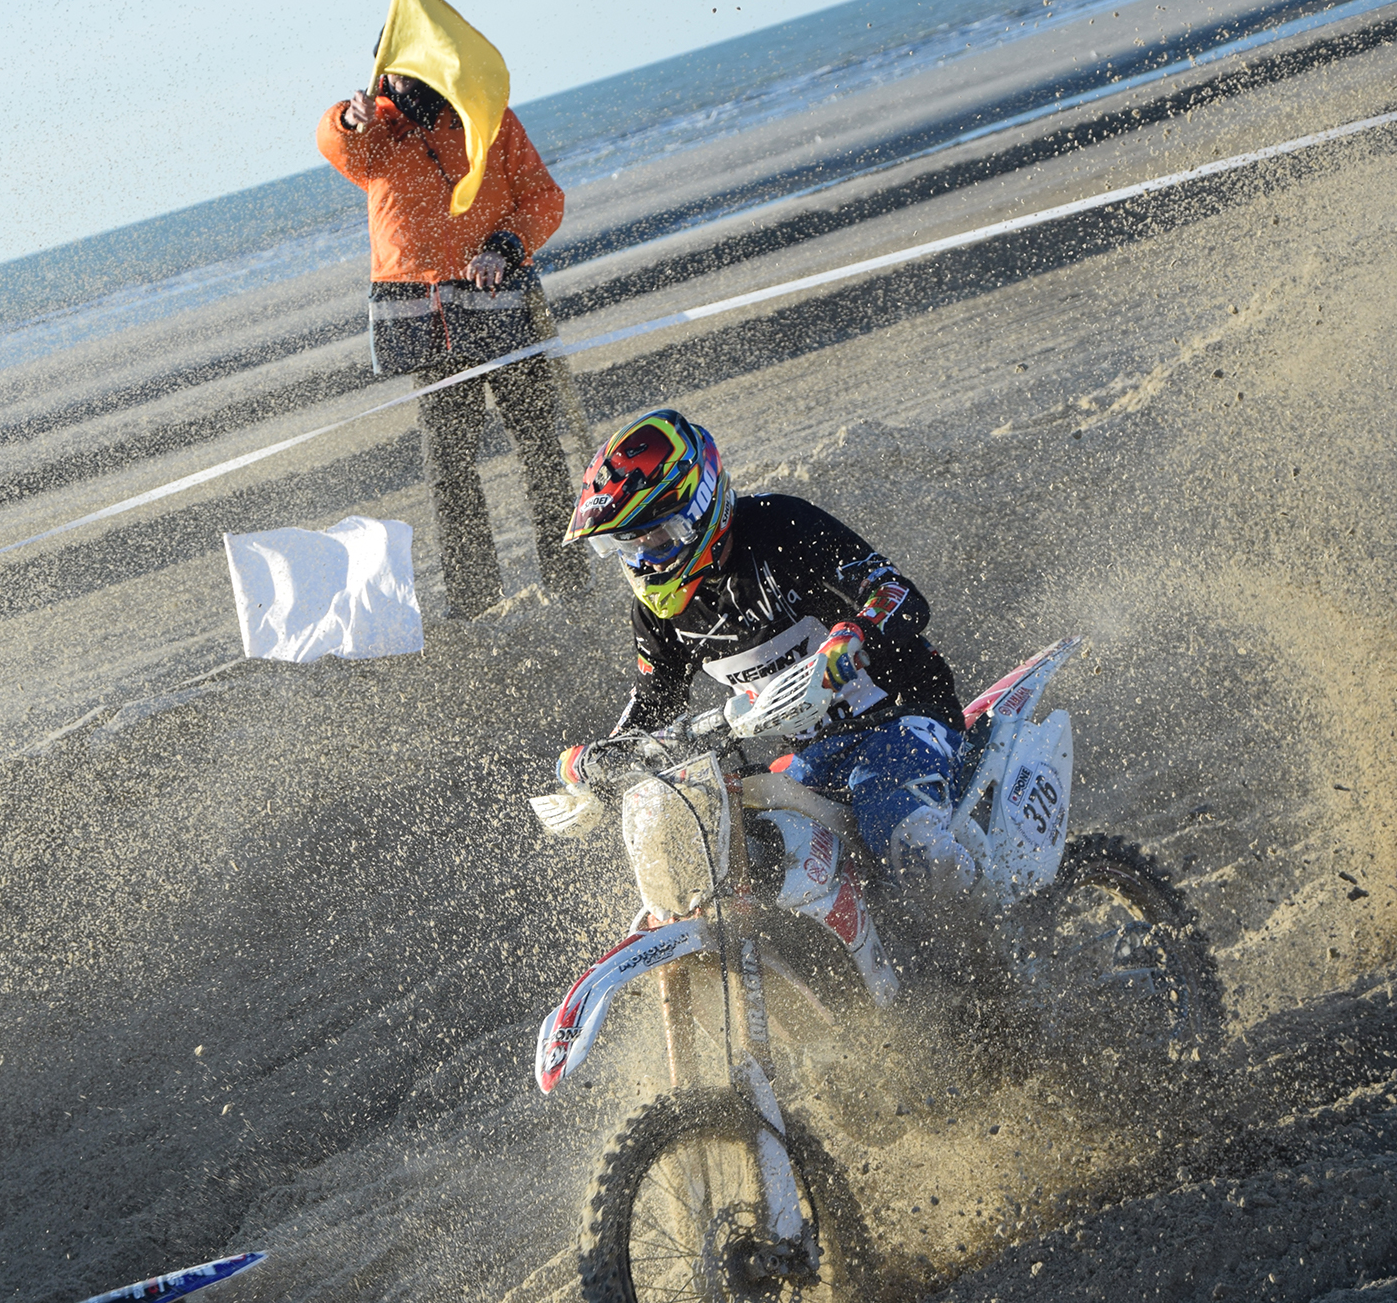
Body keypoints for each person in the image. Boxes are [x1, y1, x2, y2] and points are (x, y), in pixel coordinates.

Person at [555, 408, 980, 903]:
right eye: (629, 545)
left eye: (657, 536)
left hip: (904, 716)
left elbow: (898, 594)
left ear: (700, 507)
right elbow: (654, 705)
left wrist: (849, 640)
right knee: (744, 848)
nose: (646, 558)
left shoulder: (781, 527)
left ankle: (995, 945)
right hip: (812, 754)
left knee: (902, 838)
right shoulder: (658, 615)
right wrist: (602, 764)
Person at [317, 69, 589, 617]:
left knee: (540, 447)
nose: (404, 74)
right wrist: (348, 118)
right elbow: (338, 147)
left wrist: (505, 246)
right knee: (448, 469)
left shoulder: (487, 116)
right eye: (395, 64)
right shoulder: (373, 127)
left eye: (416, 62)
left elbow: (544, 198)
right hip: (427, 321)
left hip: (504, 307)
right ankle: (474, 600)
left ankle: (571, 580)